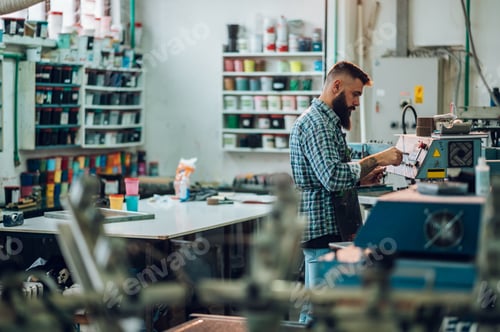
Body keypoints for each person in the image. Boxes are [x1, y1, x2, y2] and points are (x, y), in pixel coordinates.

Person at [289, 60, 403, 324]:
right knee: (318, 310)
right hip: (322, 233)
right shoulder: (316, 124)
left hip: (332, 229)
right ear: (337, 86)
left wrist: (363, 179)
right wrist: (379, 158)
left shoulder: (328, 124)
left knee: (328, 306)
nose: (357, 103)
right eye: (355, 94)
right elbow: (331, 177)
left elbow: (334, 172)